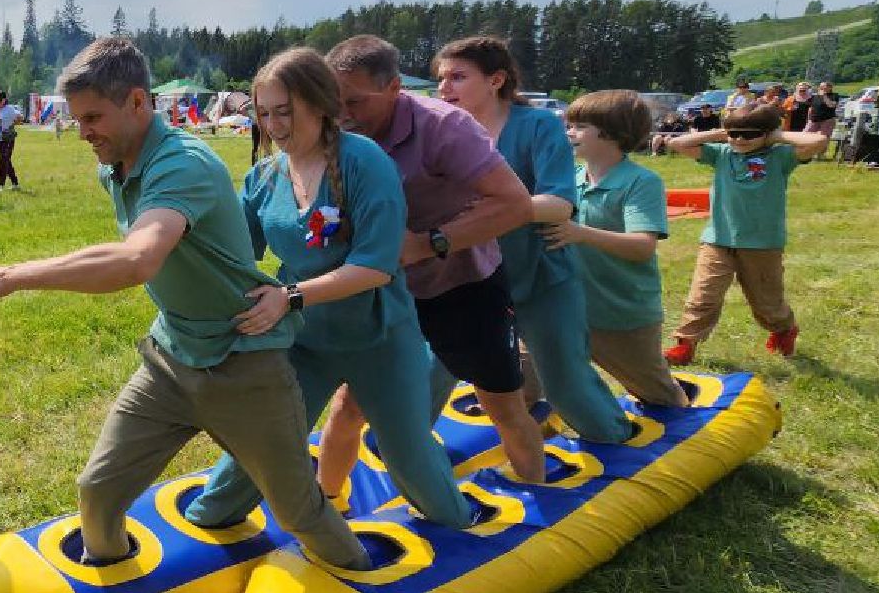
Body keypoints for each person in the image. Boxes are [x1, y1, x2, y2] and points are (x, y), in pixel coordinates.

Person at [0, 38, 369, 570]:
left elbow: (137, 260)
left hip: (245, 364)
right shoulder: (115, 165)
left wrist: (12, 276)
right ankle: (112, 591)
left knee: (297, 510)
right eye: (78, 120)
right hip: (172, 358)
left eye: (94, 118)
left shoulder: (183, 163)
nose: (83, 134)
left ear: (137, 102)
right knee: (98, 491)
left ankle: (370, 582)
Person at [180, 48, 473, 531]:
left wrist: (289, 297)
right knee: (263, 442)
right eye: (265, 112)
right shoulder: (266, 176)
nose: (273, 125)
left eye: (285, 112)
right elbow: (231, 253)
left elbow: (376, 267)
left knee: (408, 456)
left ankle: (460, 528)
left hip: (380, 338)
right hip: (306, 340)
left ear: (319, 105)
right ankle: (205, 526)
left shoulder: (364, 162)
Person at [310, 35, 545, 484]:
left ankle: (541, 505)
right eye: (333, 101)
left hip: (463, 285)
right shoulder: (333, 132)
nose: (341, 114)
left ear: (395, 87)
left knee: (501, 404)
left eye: (355, 101)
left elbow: (515, 204)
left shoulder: (445, 127)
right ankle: (329, 508)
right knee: (350, 404)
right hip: (382, 288)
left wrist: (426, 243)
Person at [432, 36, 635, 444]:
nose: (443, 88)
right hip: (468, 283)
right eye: (441, 78)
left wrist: (488, 214)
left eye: (457, 77)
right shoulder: (441, 131)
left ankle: (617, 442)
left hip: (541, 277)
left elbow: (560, 202)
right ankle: (399, 456)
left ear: (496, 80)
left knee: (567, 385)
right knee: (426, 375)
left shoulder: (536, 126)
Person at [542, 90, 687, 407]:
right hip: (568, 309)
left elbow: (642, 247)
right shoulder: (571, 178)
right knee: (534, 372)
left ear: (612, 133)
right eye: (569, 125)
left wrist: (579, 233)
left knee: (656, 393)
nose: (569, 133)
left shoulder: (640, 182)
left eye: (579, 126)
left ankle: (683, 420)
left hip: (622, 314)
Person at [662, 103, 826, 361]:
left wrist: (776, 136)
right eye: (735, 133)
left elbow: (818, 140)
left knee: (767, 303)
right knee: (703, 294)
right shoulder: (722, 153)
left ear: (767, 134)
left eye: (749, 134)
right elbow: (677, 144)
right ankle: (686, 343)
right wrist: (720, 133)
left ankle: (784, 330)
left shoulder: (780, 157)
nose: (740, 139)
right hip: (718, 239)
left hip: (762, 244)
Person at [0, 90, 22, 191]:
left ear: (4, 100)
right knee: (6, 160)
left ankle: (1, 184)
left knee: (3, 160)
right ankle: (15, 183)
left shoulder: (10, 109)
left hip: (8, 138)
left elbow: (20, 118)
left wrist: (12, 125)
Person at [808, 82, 840, 158]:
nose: (822, 88)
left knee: (824, 137)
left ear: (830, 88)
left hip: (827, 120)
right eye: (821, 87)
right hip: (814, 119)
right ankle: (809, 153)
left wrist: (824, 96)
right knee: (808, 135)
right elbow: (811, 108)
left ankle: (821, 155)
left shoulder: (834, 95)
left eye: (824, 87)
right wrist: (809, 119)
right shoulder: (815, 97)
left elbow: (831, 105)